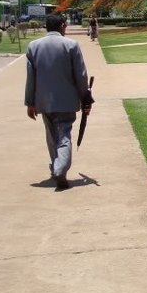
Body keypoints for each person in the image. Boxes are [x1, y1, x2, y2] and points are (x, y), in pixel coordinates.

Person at [25, 14, 93, 191]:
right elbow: (81, 75)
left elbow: (31, 79)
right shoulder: (71, 45)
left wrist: (30, 103)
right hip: (66, 100)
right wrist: (85, 97)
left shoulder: (33, 46)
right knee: (64, 135)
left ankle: (56, 166)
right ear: (62, 25)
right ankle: (60, 169)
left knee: (51, 135)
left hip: (43, 101)